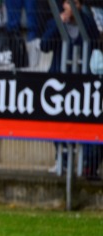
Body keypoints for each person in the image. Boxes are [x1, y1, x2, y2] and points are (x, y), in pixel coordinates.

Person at [41, 0, 102, 179]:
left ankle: (88, 165)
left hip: (82, 83)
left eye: (76, 3)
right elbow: (45, 46)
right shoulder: (55, 22)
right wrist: (60, 23)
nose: (72, 7)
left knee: (87, 123)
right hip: (59, 83)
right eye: (69, 3)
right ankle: (63, 159)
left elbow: (94, 47)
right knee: (58, 123)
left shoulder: (88, 24)